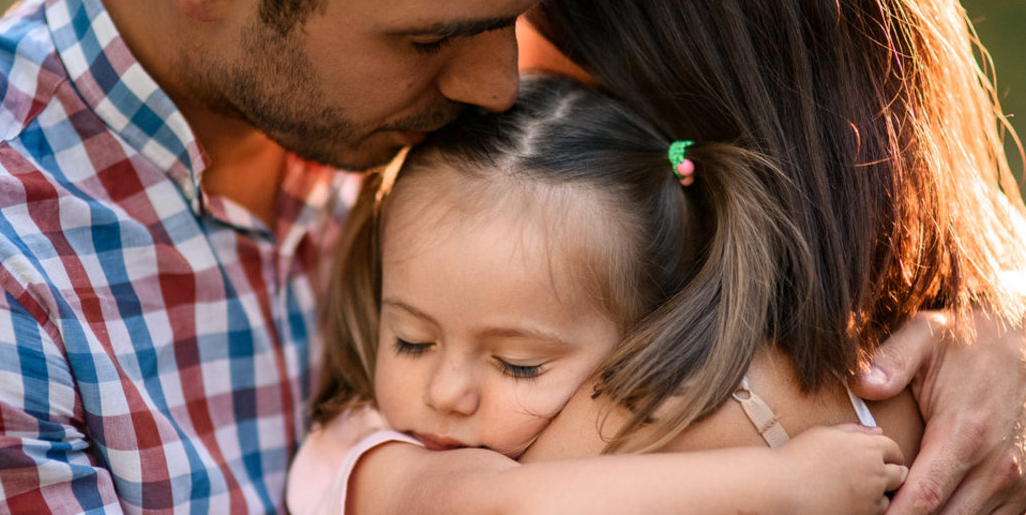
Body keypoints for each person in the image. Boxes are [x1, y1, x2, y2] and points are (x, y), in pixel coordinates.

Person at [0, 0, 1026, 511]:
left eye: (513, 19)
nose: (501, 84)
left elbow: (820, 125)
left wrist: (999, 314)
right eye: (433, 38)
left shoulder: (414, 77)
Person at [519, 0, 1026, 512]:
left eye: (523, 20)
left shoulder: (626, 436)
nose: (503, 72)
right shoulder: (903, 352)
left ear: (640, 65)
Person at [294, 75, 912, 514]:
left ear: (640, 335)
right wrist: (787, 485)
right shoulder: (369, 456)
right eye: (411, 341)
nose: (445, 393)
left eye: (518, 363)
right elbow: (503, 507)